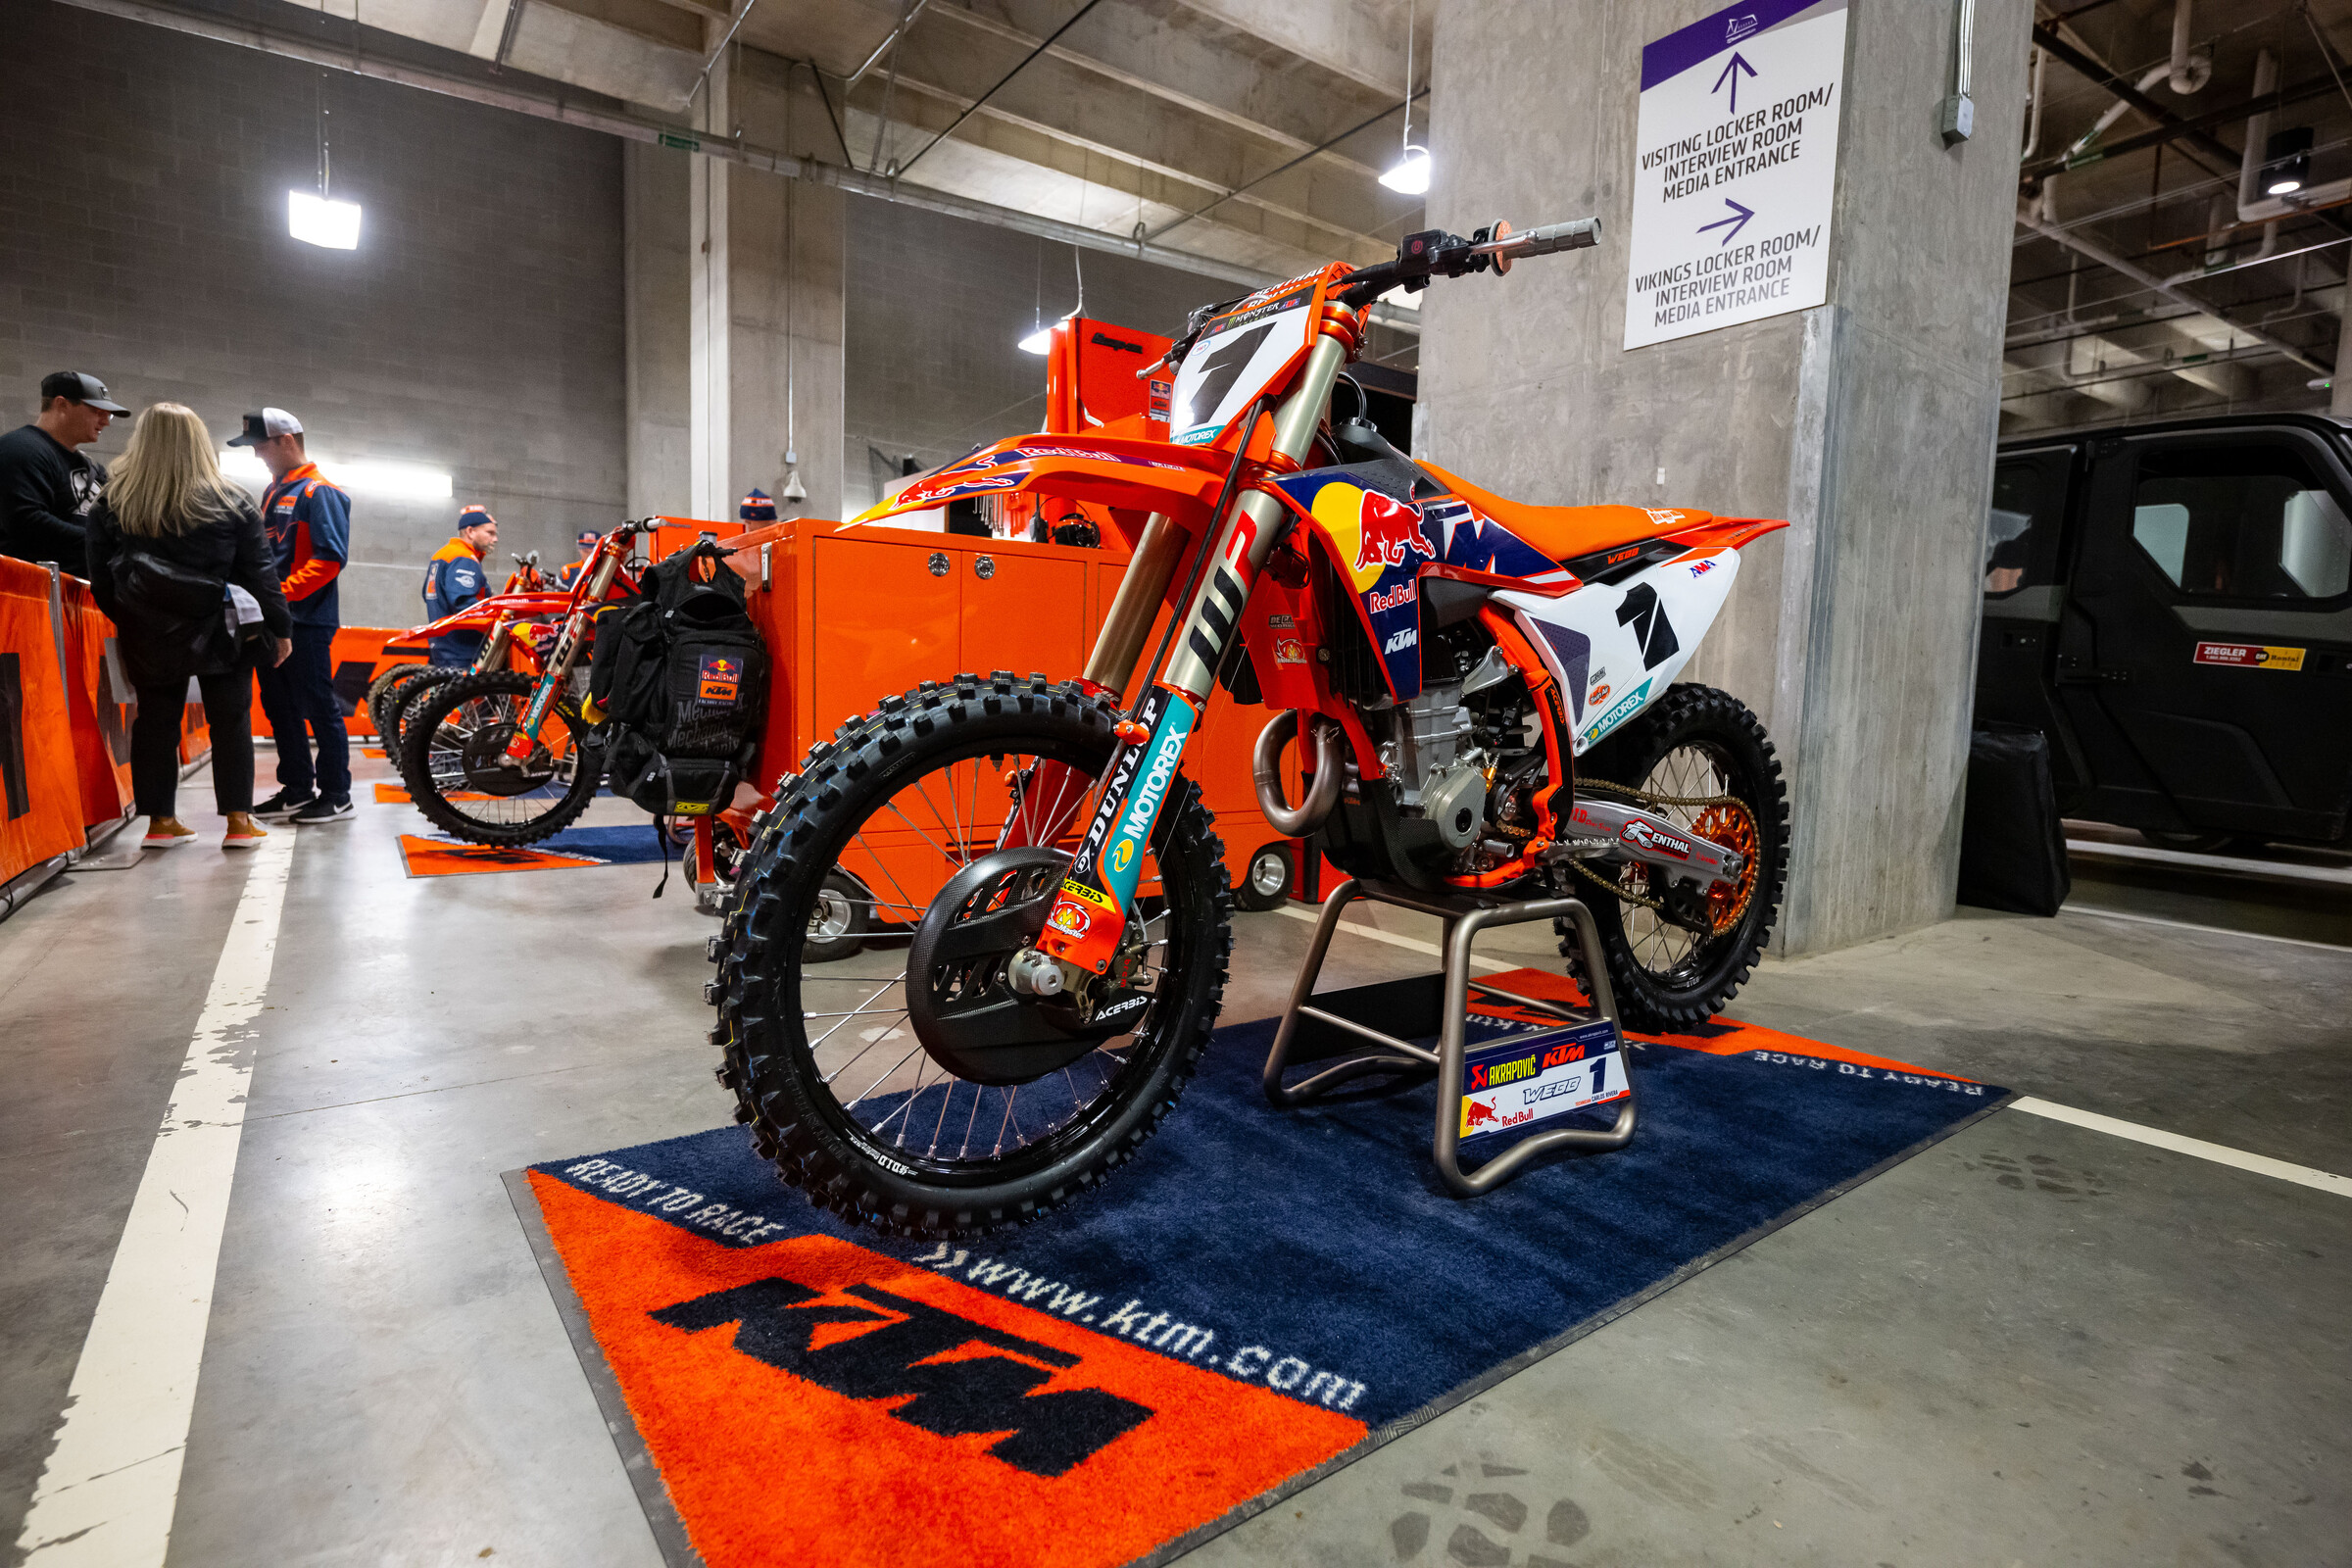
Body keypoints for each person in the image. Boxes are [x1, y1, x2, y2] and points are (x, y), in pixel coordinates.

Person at [82, 404, 290, 851]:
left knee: (155, 721)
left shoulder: (112, 502)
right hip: (222, 626)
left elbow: (101, 578)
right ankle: (238, 822)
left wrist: (133, 617)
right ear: (198, 443)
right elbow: (261, 573)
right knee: (230, 720)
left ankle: (160, 823)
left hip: (148, 631)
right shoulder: (231, 500)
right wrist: (281, 627)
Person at [232, 408, 354, 825]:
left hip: (308, 620)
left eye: (260, 445)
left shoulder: (321, 492)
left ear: (286, 440)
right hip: (273, 619)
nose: (257, 455)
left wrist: (277, 599)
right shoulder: (272, 491)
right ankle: (299, 788)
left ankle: (337, 793)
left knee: (319, 705)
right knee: (279, 706)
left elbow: (330, 560)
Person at [0, 371, 126, 564]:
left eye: (108, 415)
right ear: (62, 405)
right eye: (98, 412)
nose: (106, 422)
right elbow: (26, 522)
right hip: (37, 590)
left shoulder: (91, 467)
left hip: (80, 590)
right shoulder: (19, 449)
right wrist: (102, 541)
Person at [421, 505, 496, 665]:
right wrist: (496, 617)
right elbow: (463, 603)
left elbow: (426, 595)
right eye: (489, 533)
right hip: (461, 648)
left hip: (442, 644)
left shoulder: (443, 554)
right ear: (470, 532)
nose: (494, 539)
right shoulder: (464, 558)